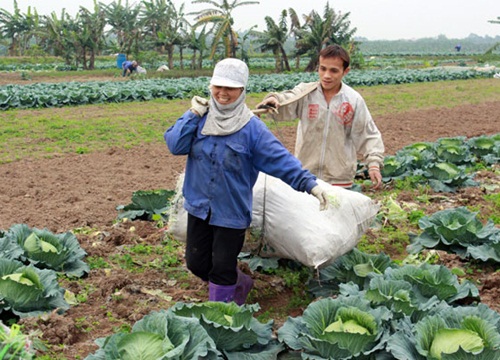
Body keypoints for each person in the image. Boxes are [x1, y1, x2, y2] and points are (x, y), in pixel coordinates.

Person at [165, 58, 328, 305]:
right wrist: (192, 114)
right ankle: (241, 283)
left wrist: (310, 184)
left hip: (231, 211)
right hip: (199, 206)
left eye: (230, 88)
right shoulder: (199, 119)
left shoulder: (252, 128)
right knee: (197, 264)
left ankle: (222, 314)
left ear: (242, 90)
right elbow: (175, 144)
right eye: (218, 86)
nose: (222, 93)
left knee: (222, 266)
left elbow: (280, 160)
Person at [257, 44, 385, 190]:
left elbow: (368, 134)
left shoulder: (353, 100)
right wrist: (274, 99)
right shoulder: (306, 93)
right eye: (322, 68)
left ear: (346, 71)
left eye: (334, 71)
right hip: (306, 176)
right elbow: (287, 99)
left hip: (339, 179)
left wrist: (374, 164)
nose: (326, 75)